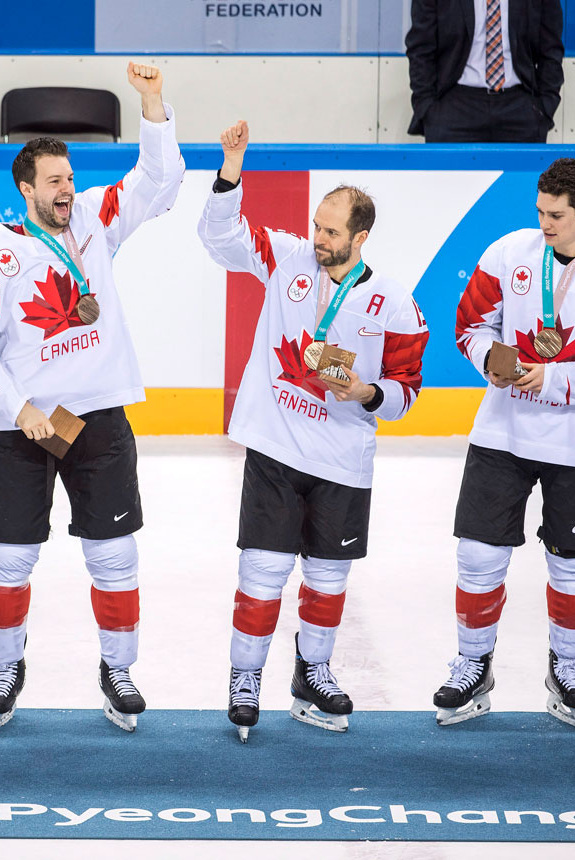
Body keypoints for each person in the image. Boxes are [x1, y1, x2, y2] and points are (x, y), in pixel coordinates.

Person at [0, 62, 184, 733]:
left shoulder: (96, 221)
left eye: (70, 178)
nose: (67, 189)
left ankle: (118, 669)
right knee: (9, 557)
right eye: (53, 181)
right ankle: (5, 665)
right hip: (24, 425)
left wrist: (152, 104)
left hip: (98, 413)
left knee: (114, 554)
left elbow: (162, 180)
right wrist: (17, 407)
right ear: (25, 188)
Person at [198, 121, 429, 742]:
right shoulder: (286, 256)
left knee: (328, 578)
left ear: (361, 235)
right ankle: (244, 678)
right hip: (276, 447)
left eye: (331, 231)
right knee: (263, 570)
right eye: (317, 226)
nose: (318, 238)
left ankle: (313, 671)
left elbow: (407, 391)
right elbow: (219, 237)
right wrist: (230, 171)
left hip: (343, 458)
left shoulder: (395, 304)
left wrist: (367, 393)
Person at [436, 158, 575, 729]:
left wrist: (549, 378)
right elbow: (468, 325)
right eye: (540, 211)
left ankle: (569, 665)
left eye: (557, 215)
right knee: (478, 554)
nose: (545, 223)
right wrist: (493, 358)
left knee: (573, 564)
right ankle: (472, 663)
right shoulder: (510, 253)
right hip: (503, 431)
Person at [405, 0, 563, 143]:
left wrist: (545, 106)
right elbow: (420, 48)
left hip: (521, 108)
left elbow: (551, 48)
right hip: (454, 109)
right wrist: (428, 109)